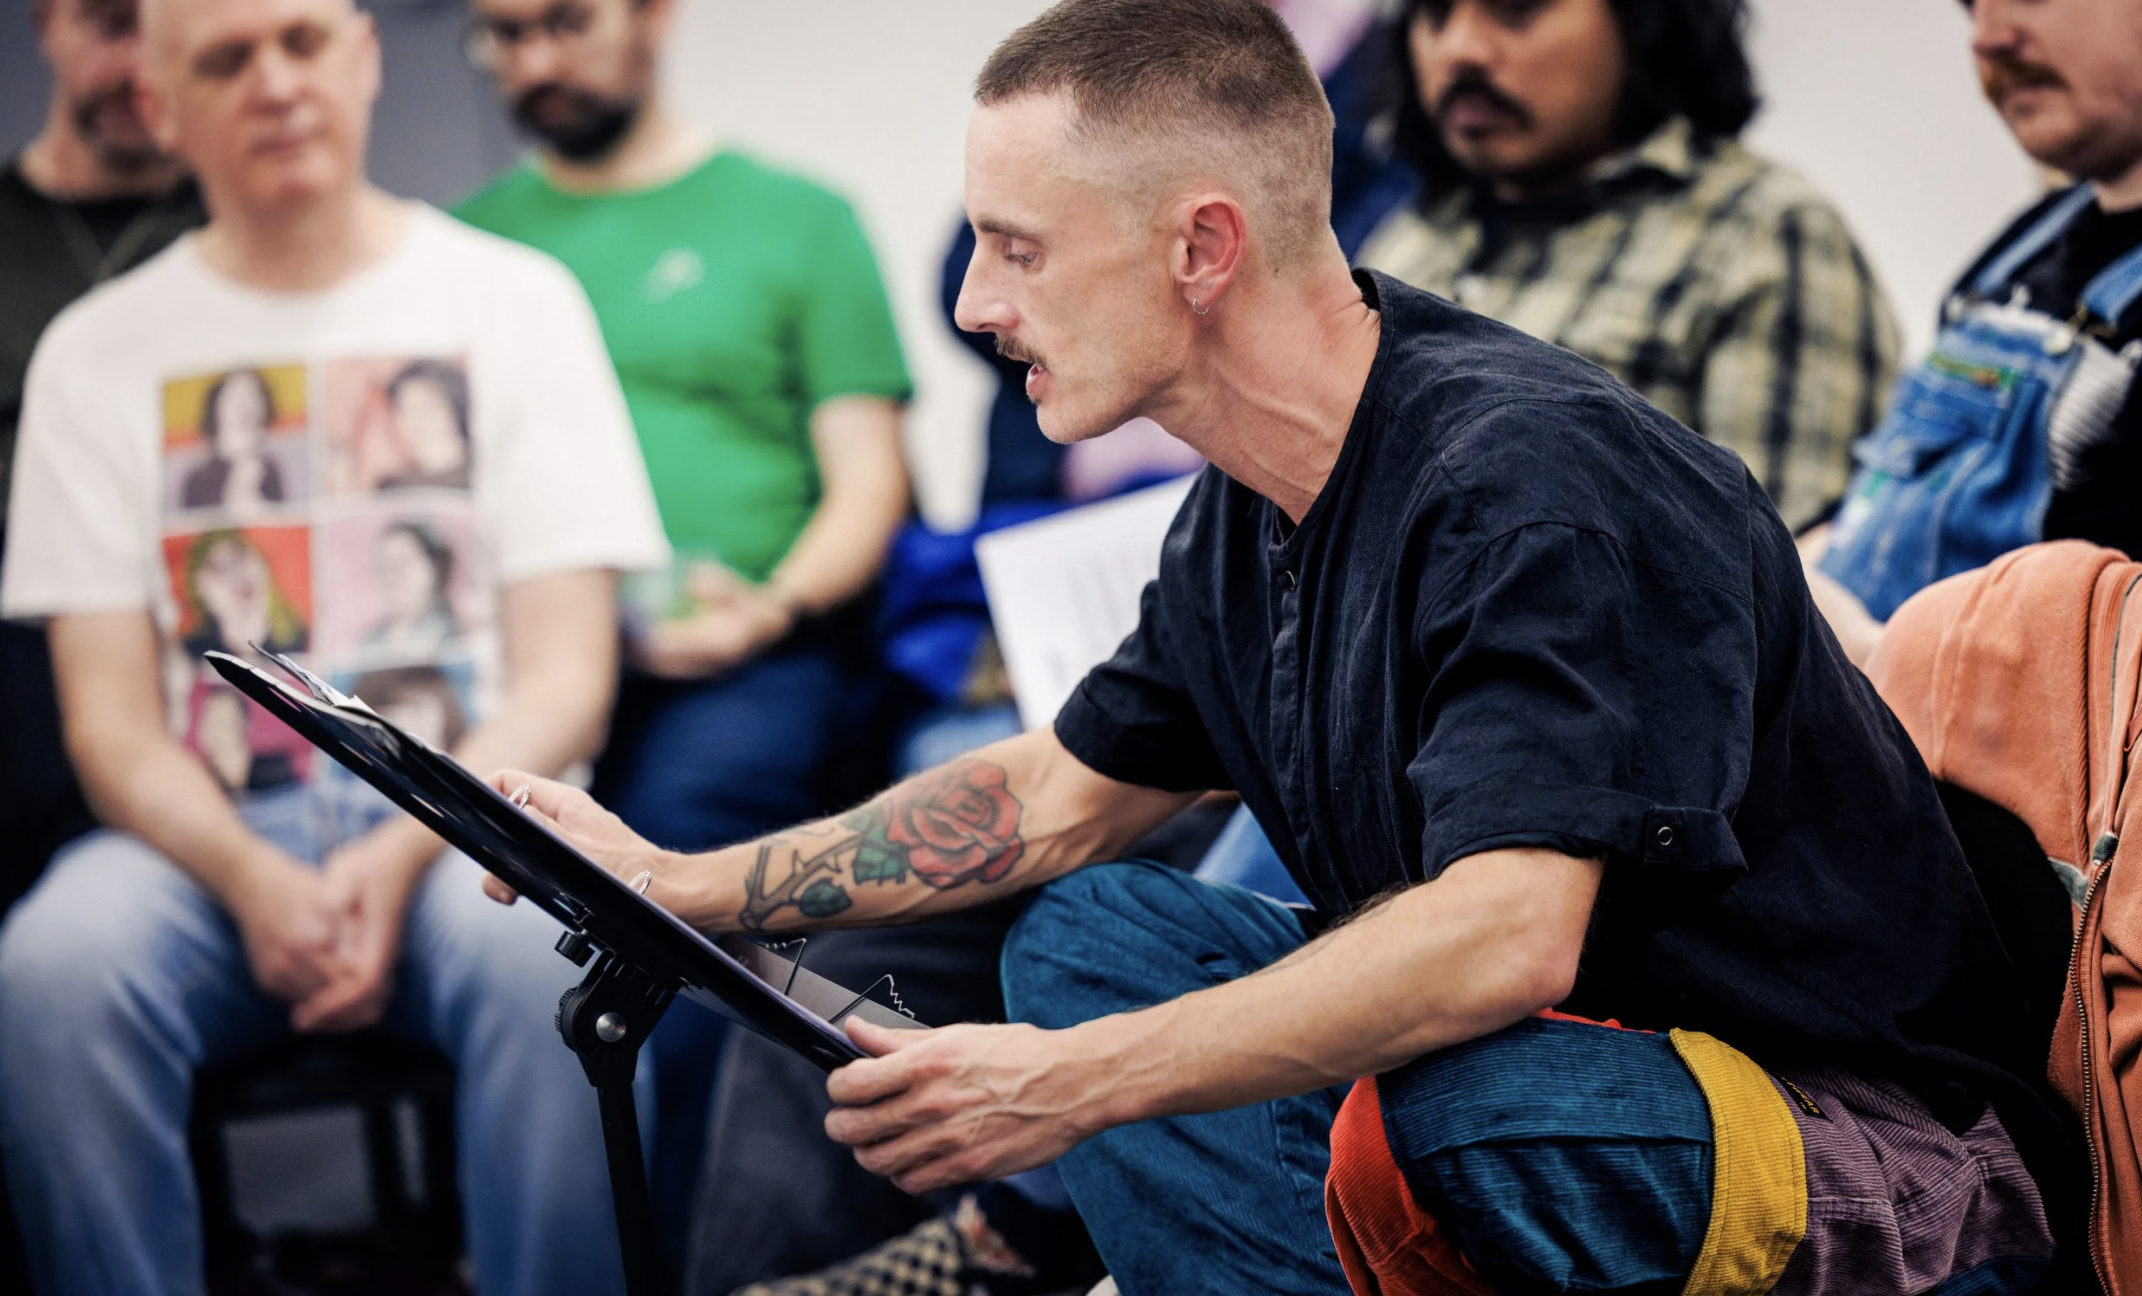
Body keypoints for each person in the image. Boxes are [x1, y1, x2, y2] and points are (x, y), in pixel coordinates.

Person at [489, 2, 2084, 1293]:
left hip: (1865, 1149)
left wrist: (1062, 1085)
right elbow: (1055, 796)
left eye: (1018, 248)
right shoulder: (1251, 502)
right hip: (1571, 1082)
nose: (973, 304)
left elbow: (1503, 944)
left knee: (1448, 1098)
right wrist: (677, 882)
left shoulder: (1530, 481)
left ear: (1201, 248)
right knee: (1090, 940)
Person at [0, 4, 672, 1296]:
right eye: (226, 58)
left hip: (472, 831)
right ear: (160, 106)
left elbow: (568, 678)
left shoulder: (515, 304)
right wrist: (252, 878)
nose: (274, 83)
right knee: (52, 971)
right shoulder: (92, 356)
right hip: (199, 856)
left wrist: (403, 846)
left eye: (303, 41)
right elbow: (108, 724)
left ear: (363, 59)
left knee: (550, 954)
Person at [456, 0, 913, 856]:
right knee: (477, 850)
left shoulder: (800, 218)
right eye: (506, 35)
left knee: (674, 838)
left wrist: (768, 610)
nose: (537, 62)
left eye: (567, 23)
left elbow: (870, 481)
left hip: (744, 653)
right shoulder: (466, 248)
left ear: (653, 17)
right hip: (524, 662)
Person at [1356, 0, 1896, 535]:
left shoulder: (1763, 235)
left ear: (1643, 24)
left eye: (1515, 7)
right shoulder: (1408, 239)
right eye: (1434, 13)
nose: (1460, 49)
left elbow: (1783, 576)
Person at [1810, 0, 2142, 663]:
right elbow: (1873, 508)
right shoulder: (2022, 247)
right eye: (1971, 5)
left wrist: (1870, 657)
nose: (1988, 39)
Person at [1, 0, 204, 928]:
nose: (140, 68)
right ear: (47, 22)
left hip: (196, 625)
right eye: (112, 24)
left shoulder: (243, 235)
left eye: (165, 34)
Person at [179, 368, 288, 509]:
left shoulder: (270, 470)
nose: (245, 407)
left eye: (252, 395)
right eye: (235, 397)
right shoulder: (198, 478)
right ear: (217, 407)